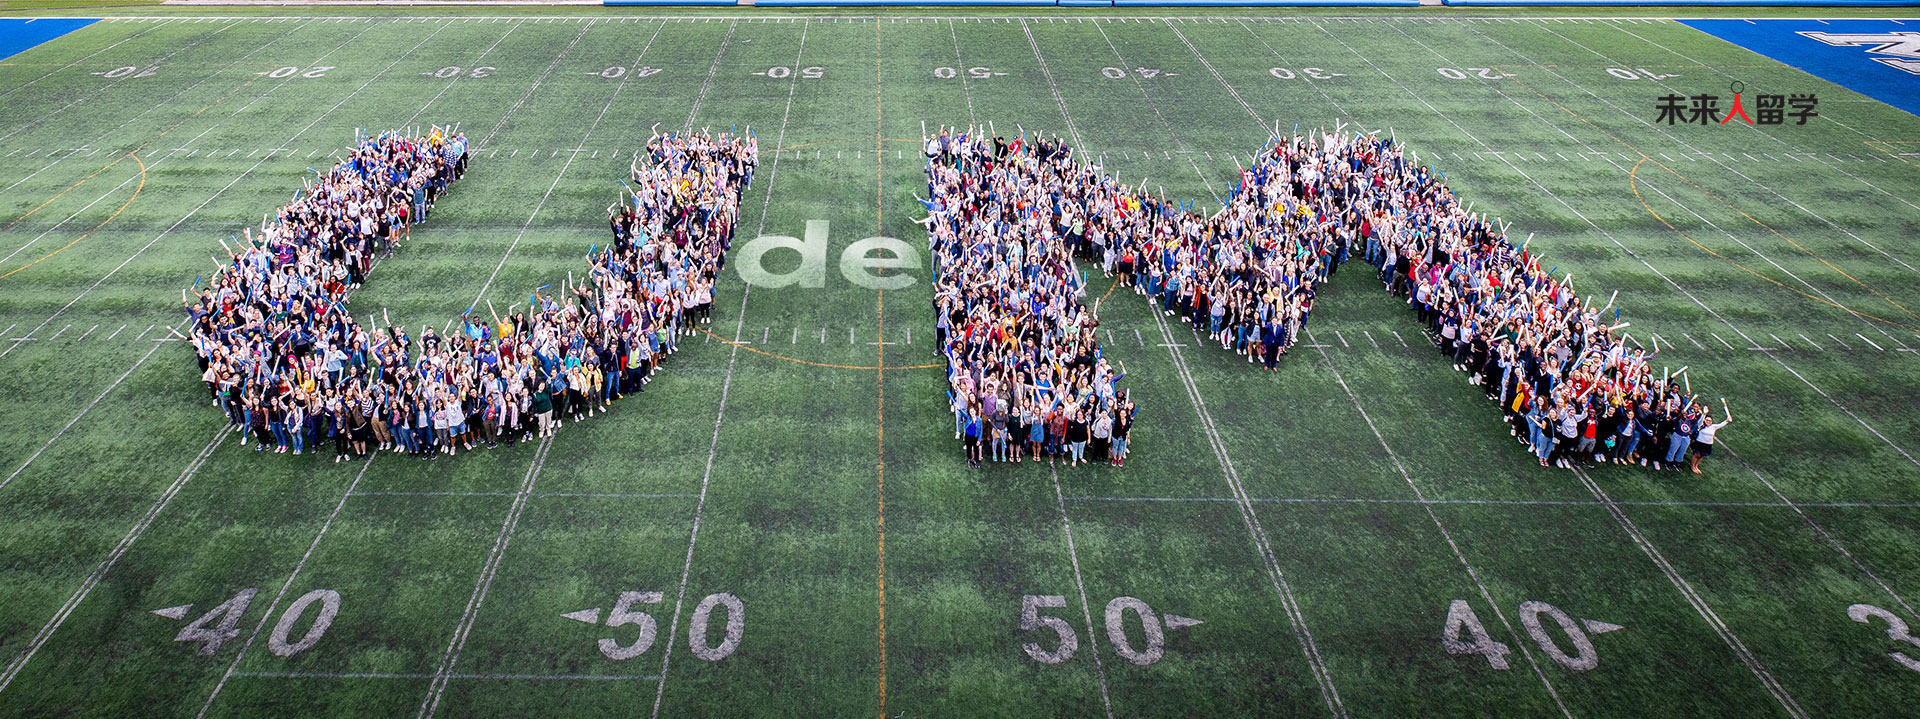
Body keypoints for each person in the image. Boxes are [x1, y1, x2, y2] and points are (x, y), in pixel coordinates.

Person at [183, 127, 755, 464]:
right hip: (437, 393)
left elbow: (590, 312)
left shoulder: (563, 344)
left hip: (582, 359)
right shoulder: (397, 368)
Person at [1690, 401, 1732, 475]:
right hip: (1700, 443)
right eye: (1707, 420)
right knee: (1696, 455)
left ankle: (1696, 466)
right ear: (1705, 420)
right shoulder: (1701, 425)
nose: (1708, 421)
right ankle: (1693, 466)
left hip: (1708, 444)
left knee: (1702, 456)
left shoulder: (1714, 427)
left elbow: (1722, 424)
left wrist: (1727, 420)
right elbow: (1700, 420)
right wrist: (1704, 413)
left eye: (1710, 421)